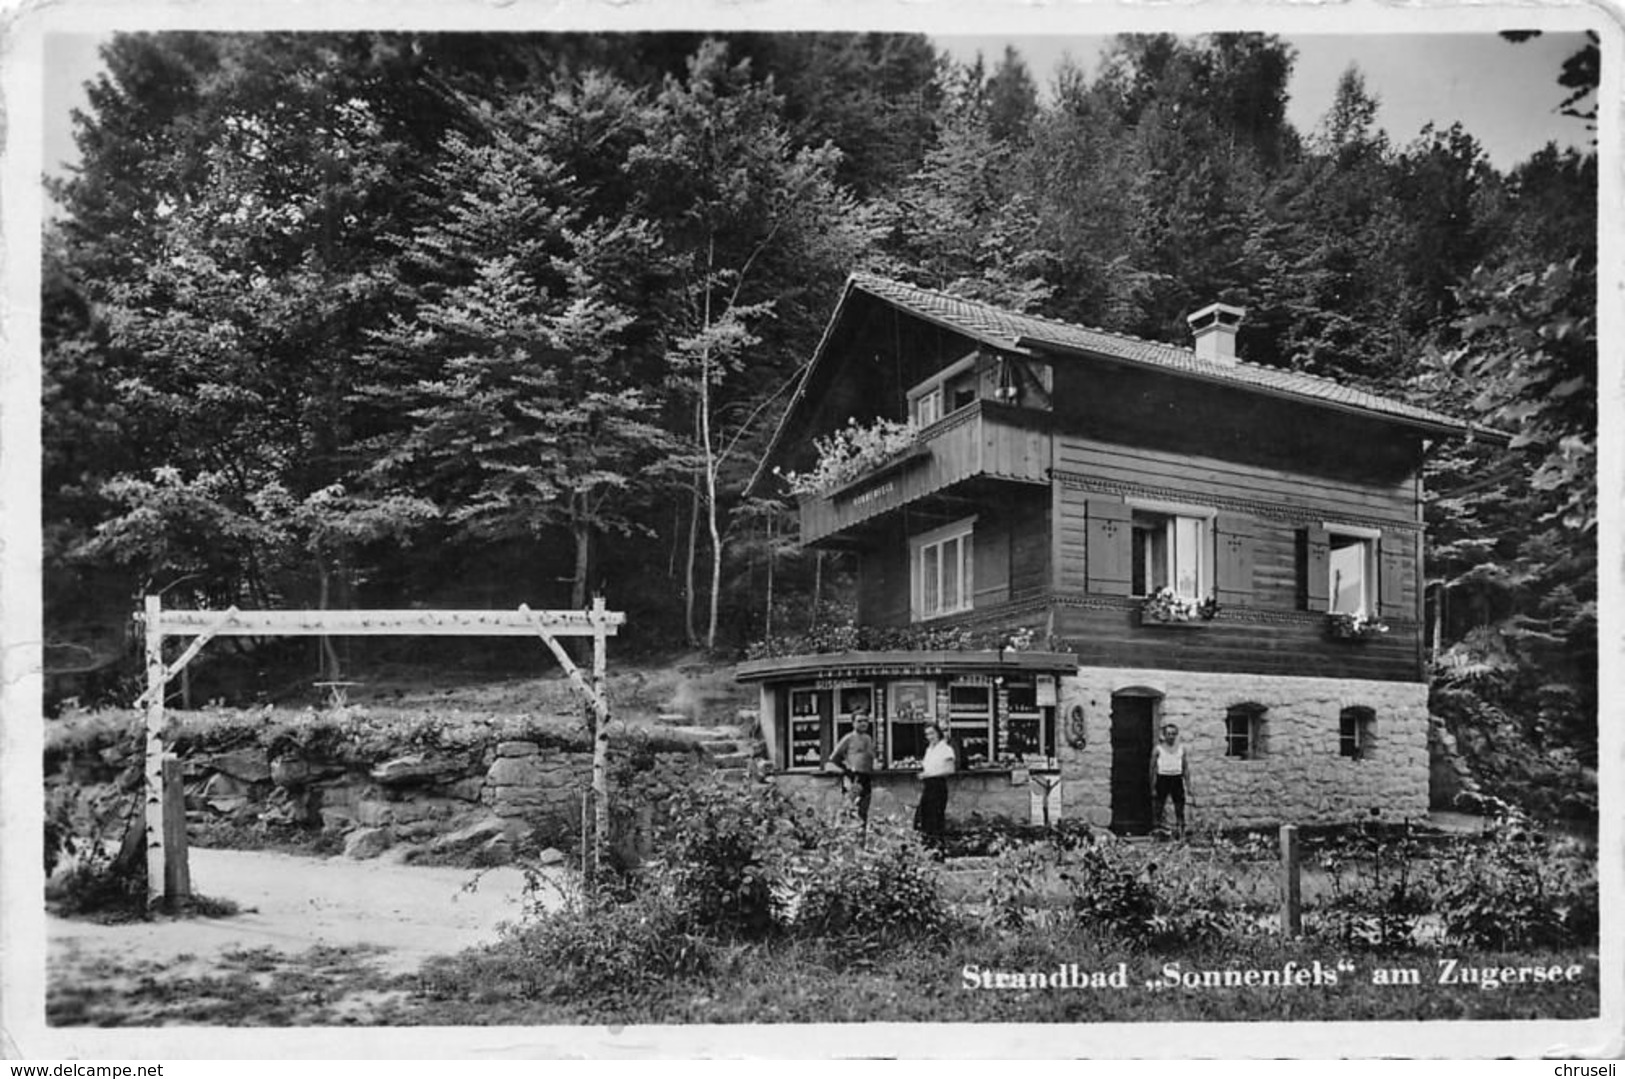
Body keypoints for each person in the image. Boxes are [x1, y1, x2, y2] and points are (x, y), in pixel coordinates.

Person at [827, 704, 877, 824]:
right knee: (851, 809)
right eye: (859, 721)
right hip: (853, 778)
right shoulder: (848, 738)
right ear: (853, 723)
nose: (863, 723)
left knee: (863, 811)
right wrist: (845, 771)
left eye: (866, 720)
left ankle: (861, 840)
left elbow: (870, 757)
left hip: (866, 778)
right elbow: (832, 759)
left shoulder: (868, 738)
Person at [1149, 722, 1192, 837]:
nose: (1171, 736)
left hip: (1176, 778)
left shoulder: (1181, 749)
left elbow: (1185, 768)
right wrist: (1152, 786)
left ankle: (1181, 833)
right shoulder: (1158, 749)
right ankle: (1157, 833)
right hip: (1162, 778)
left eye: (1173, 734)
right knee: (1159, 807)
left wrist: (1188, 785)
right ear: (1164, 735)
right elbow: (1152, 769)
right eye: (1168, 734)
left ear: (1176, 735)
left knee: (1179, 807)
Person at [914, 722, 956, 838]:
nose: (930, 737)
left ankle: (938, 849)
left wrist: (929, 775)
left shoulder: (946, 749)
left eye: (932, 733)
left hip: (938, 785)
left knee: (935, 820)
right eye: (927, 734)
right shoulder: (929, 750)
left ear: (938, 733)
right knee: (923, 819)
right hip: (928, 786)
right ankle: (926, 849)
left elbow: (950, 769)